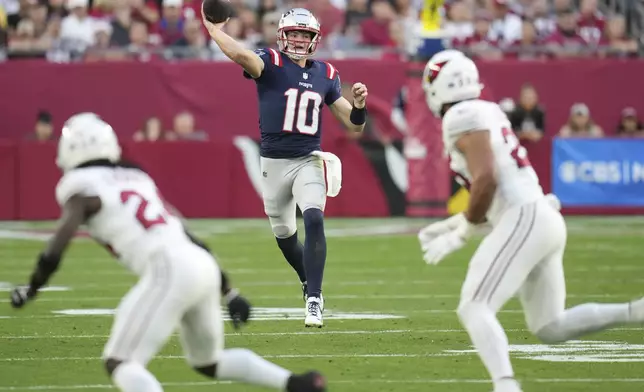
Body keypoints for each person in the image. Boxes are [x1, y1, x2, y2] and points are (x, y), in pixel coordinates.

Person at [8, 113, 327, 392]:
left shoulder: (79, 184)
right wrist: (229, 291)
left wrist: (33, 286)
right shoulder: (136, 177)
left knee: (120, 362)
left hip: (168, 268)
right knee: (208, 362)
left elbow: (61, 238)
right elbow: (187, 233)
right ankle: (297, 384)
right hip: (201, 266)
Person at [418, 51, 644, 392]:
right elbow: (496, 189)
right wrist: (458, 222)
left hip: (525, 217)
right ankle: (636, 311)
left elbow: (487, 179)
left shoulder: (462, 114)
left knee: (474, 306)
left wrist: (463, 230)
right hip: (541, 216)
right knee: (550, 326)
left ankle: (506, 386)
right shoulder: (487, 110)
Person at [201, 7, 368, 327]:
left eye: (304, 35)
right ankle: (307, 281)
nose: (298, 40)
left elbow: (354, 124)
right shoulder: (271, 62)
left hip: (308, 159)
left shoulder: (326, 73)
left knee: (314, 217)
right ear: (282, 35)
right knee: (284, 234)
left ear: (314, 40)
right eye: (293, 33)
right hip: (274, 163)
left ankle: (315, 298)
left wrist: (359, 106)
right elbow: (241, 55)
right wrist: (215, 31)